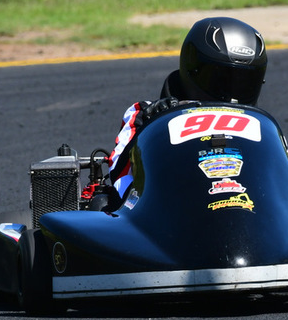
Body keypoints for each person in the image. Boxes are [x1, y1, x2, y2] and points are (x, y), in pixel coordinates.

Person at [108, 17, 268, 201]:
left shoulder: (260, 126)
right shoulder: (144, 112)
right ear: (194, 69)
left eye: (245, 82)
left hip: (243, 207)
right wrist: (154, 123)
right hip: (168, 210)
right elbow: (119, 174)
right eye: (222, 80)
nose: (233, 92)